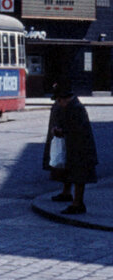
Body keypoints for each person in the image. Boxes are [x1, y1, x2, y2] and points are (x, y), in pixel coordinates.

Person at [43, 77, 98, 215]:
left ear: (65, 98)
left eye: (59, 100)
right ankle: (74, 201)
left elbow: (77, 130)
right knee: (73, 174)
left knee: (79, 176)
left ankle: (78, 204)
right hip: (76, 148)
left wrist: (62, 132)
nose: (58, 103)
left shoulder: (76, 108)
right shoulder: (71, 106)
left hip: (81, 150)